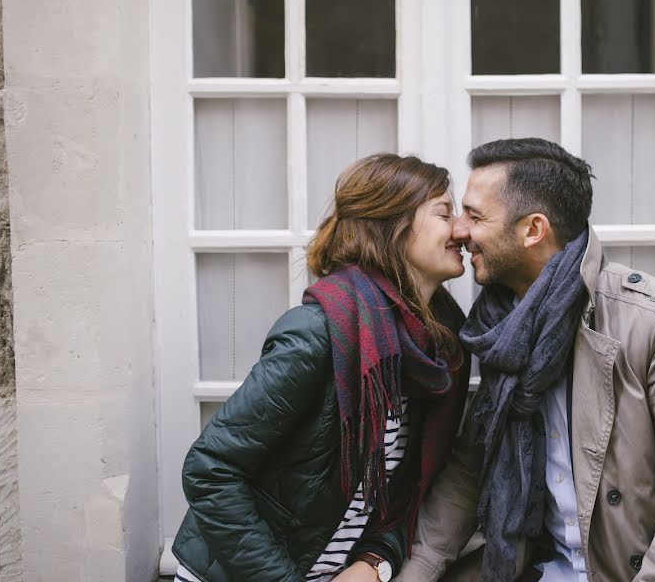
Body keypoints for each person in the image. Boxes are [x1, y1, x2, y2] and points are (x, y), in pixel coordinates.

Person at [397, 138, 655, 581]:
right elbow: (469, 471)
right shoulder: (498, 328)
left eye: (475, 216)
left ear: (533, 230)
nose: (458, 230)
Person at [172, 154, 472, 582]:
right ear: (393, 225)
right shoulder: (318, 332)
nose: (461, 228)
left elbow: (401, 495)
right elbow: (210, 470)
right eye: (445, 213)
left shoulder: (439, 349)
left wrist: (375, 564)